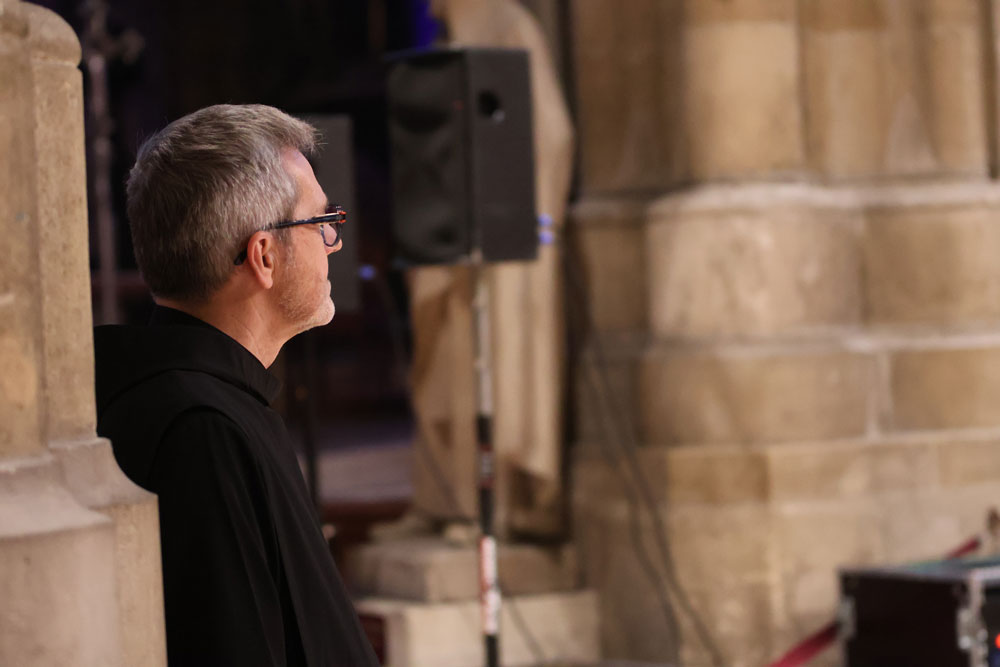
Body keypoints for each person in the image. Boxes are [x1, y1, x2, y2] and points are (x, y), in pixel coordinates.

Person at [93, 104, 379, 667]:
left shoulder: (212, 404)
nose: (332, 243)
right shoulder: (203, 431)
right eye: (321, 223)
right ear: (264, 255)